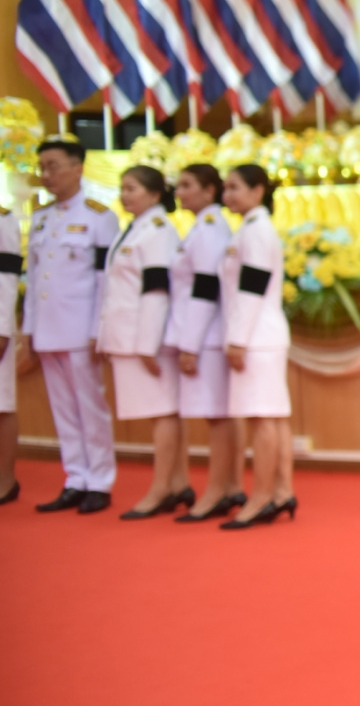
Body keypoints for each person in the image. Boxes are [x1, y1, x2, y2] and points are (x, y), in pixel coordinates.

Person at [23, 138, 120, 514]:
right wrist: (30, 329)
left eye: (53, 166)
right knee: (62, 409)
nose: (46, 175)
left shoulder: (98, 216)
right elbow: (35, 281)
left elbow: (104, 281)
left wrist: (99, 329)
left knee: (90, 406)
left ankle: (100, 481)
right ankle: (75, 478)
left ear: (77, 168)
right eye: (42, 167)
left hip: (81, 329)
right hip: (48, 328)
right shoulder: (41, 218)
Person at [96, 165, 193, 519]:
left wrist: (148, 344)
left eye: (132, 188)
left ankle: (161, 487)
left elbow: (156, 290)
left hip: (145, 338)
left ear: (154, 194)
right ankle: (178, 483)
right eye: (122, 188)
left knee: (162, 411)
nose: (124, 195)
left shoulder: (157, 231)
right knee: (160, 412)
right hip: (128, 336)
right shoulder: (136, 228)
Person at [168, 164, 245, 523]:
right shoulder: (203, 227)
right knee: (221, 416)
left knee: (217, 418)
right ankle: (230, 486)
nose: (179, 192)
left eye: (187, 185)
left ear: (209, 190)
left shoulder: (210, 228)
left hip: (207, 336)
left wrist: (190, 344)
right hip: (206, 334)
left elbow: (205, 288)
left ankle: (217, 491)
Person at [219, 164, 295, 531]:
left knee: (263, 419)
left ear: (257, 191)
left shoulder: (257, 231)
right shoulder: (250, 228)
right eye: (225, 188)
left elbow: (252, 288)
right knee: (272, 418)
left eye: (234, 187)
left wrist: (237, 339)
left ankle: (262, 496)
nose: (227, 195)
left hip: (256, 336)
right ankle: (281, 491)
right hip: (259, 334)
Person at [0, 201, 20, 505]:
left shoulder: (3, 220)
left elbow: (7, 276)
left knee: (1, 403)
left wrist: (3, 327)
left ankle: (5, 480)